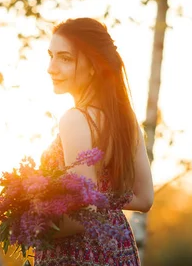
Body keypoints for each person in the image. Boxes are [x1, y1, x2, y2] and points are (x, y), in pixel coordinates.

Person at [35, 17, 154, 266]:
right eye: (51, 56)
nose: (51, 67)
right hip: (117, 249)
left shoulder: (75, 119)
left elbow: (83, 214)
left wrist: (32, 228)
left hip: (78, 255)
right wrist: (100, 198)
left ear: (93, 66)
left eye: (65, 58)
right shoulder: (125, 119)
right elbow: (144, 198)